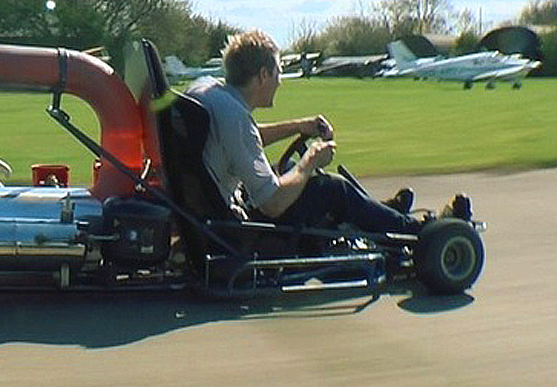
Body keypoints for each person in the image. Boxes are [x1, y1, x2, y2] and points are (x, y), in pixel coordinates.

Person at [186, 29, 469, 234]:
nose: (280, 82)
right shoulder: (236, 118)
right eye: (278, 73)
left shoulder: (207, 90)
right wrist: (311, 161)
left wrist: (298, 126)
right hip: (237, 221)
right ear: (263, 75)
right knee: (329, 187)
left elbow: (241, 141)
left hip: (207, 202)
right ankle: (423, 229)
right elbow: (272, 204)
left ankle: (381, 212)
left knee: (294, 172)